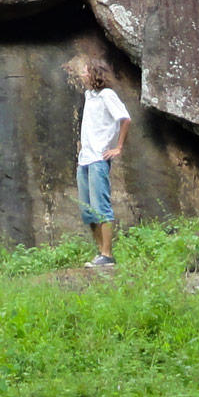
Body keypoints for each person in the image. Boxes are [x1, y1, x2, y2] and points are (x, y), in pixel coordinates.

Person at [69, 56, 131, 269]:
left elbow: (125, 118)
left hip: (98, 159)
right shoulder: (90, 96)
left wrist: (118, 147)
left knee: (101, 207)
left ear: (95, 74)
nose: (82, 74)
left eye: (86, 71)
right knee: (87, 211)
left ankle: (107, 255)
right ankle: (100, 254)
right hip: (85, 159)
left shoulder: (107, 95)